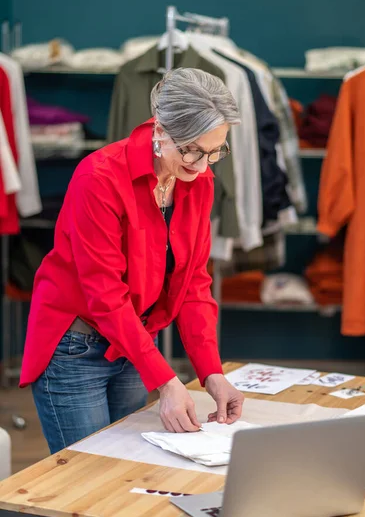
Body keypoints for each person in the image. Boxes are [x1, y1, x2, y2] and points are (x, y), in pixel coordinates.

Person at [21, 68, 245, 453]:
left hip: (135, 341)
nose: (201, 165)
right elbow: (104, 294)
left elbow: (193, 282)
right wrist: (166, 381)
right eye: (191, 149)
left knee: (126, 467)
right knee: (87, 480)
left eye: (214, 152)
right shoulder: (100, 178)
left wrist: (211, 371)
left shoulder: (198, 180)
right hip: (76, 346)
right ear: (160, 130)